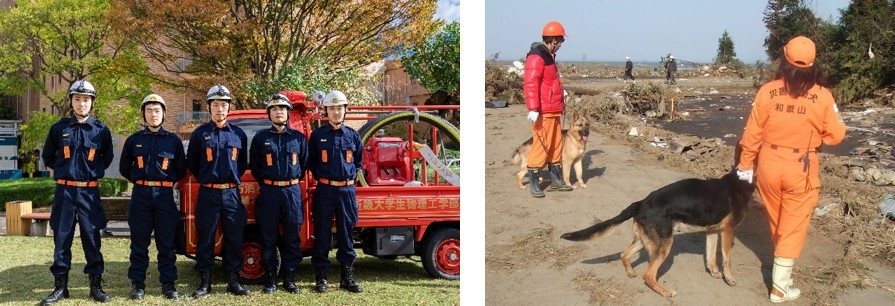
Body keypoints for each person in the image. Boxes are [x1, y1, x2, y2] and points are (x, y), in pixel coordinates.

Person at [735, 36, 846, 303]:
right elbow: (836, 135)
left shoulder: (767, 91)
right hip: (801, 167)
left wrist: (745, 165)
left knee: (778, 221)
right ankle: (780, 288)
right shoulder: (822, 95)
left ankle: (783, 273)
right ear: (813, 64)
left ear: (784, 59)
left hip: (769, 164)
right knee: (793, 225)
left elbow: (752, 133)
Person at [40, 79, 114, 305]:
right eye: (78, 99)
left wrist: (88, 172)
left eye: (86, 99)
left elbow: (107, 158)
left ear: (92, 102)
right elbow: (48, 156)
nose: (82, 103)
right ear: (71, 101)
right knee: (62, 239)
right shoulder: (59, 128)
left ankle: (96, 287)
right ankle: (60, 288)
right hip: (65, 192)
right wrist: (65, 170)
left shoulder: (101, 130)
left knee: (92, 239)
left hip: (89, 193)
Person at [186, 84, 251, 298]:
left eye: (224, 104)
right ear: (209, 107)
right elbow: (193, 163)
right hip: (209, 193)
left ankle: (234, 280)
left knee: (234, 237)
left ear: (229, 107)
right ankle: (205, 282)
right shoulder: (200, 134)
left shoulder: (239, 134)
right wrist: (209, 178)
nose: (220, 108)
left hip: (232, 193)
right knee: (205, 236)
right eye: (215, 104)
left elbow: (241, 164)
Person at [119, 94, 185, 300]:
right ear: (143, 114)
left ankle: (168, 284)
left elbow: (180, 169)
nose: (153, 114)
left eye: (157, 110)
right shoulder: (133, 140)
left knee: (166, 243)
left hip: (164, 196)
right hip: (141, 196)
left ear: (164, 113)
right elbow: (124, 168)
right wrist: (142, 181)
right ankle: (138, 285)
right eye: (149, 110)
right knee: (139, 244)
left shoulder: (173, 141)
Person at [249, 93, 309, 294]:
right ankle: (270, 279)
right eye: (274, 109)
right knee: (268, 237)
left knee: (292, 236)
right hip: (269, 192)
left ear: (288, 113)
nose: (278, 112)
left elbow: (303, 164)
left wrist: (289, 181)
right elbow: (256, 167)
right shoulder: (261, 139)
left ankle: (289, 279)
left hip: (292, 191)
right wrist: (270, 182)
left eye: (282, 108)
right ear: (269, 114)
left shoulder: (298, 138)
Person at [308, 90, 363, 293]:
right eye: (332, 108)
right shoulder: (318, 136)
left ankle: (346, 279)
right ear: (326, 111)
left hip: (347, 191)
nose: (336, 112)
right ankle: (321, 278)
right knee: (322, 234)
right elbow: (311, 162)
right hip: (325, 190)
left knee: (346, 234)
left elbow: (358, 162)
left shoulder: (353, 136)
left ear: (345, 110)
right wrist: (325, 179)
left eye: (339, 108)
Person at [523, 20, 573, 198]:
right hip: (543, 111)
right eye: (561, 41)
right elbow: (531, 83)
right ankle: (534, 182)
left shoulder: (548, 56)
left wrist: (561, 93)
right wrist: (533, 108)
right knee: (541, 145)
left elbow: (550, 81)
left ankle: (556, 180)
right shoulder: (537, 56)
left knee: (556, 145)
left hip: (553, 109)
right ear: (553, 40)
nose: (561, 44)